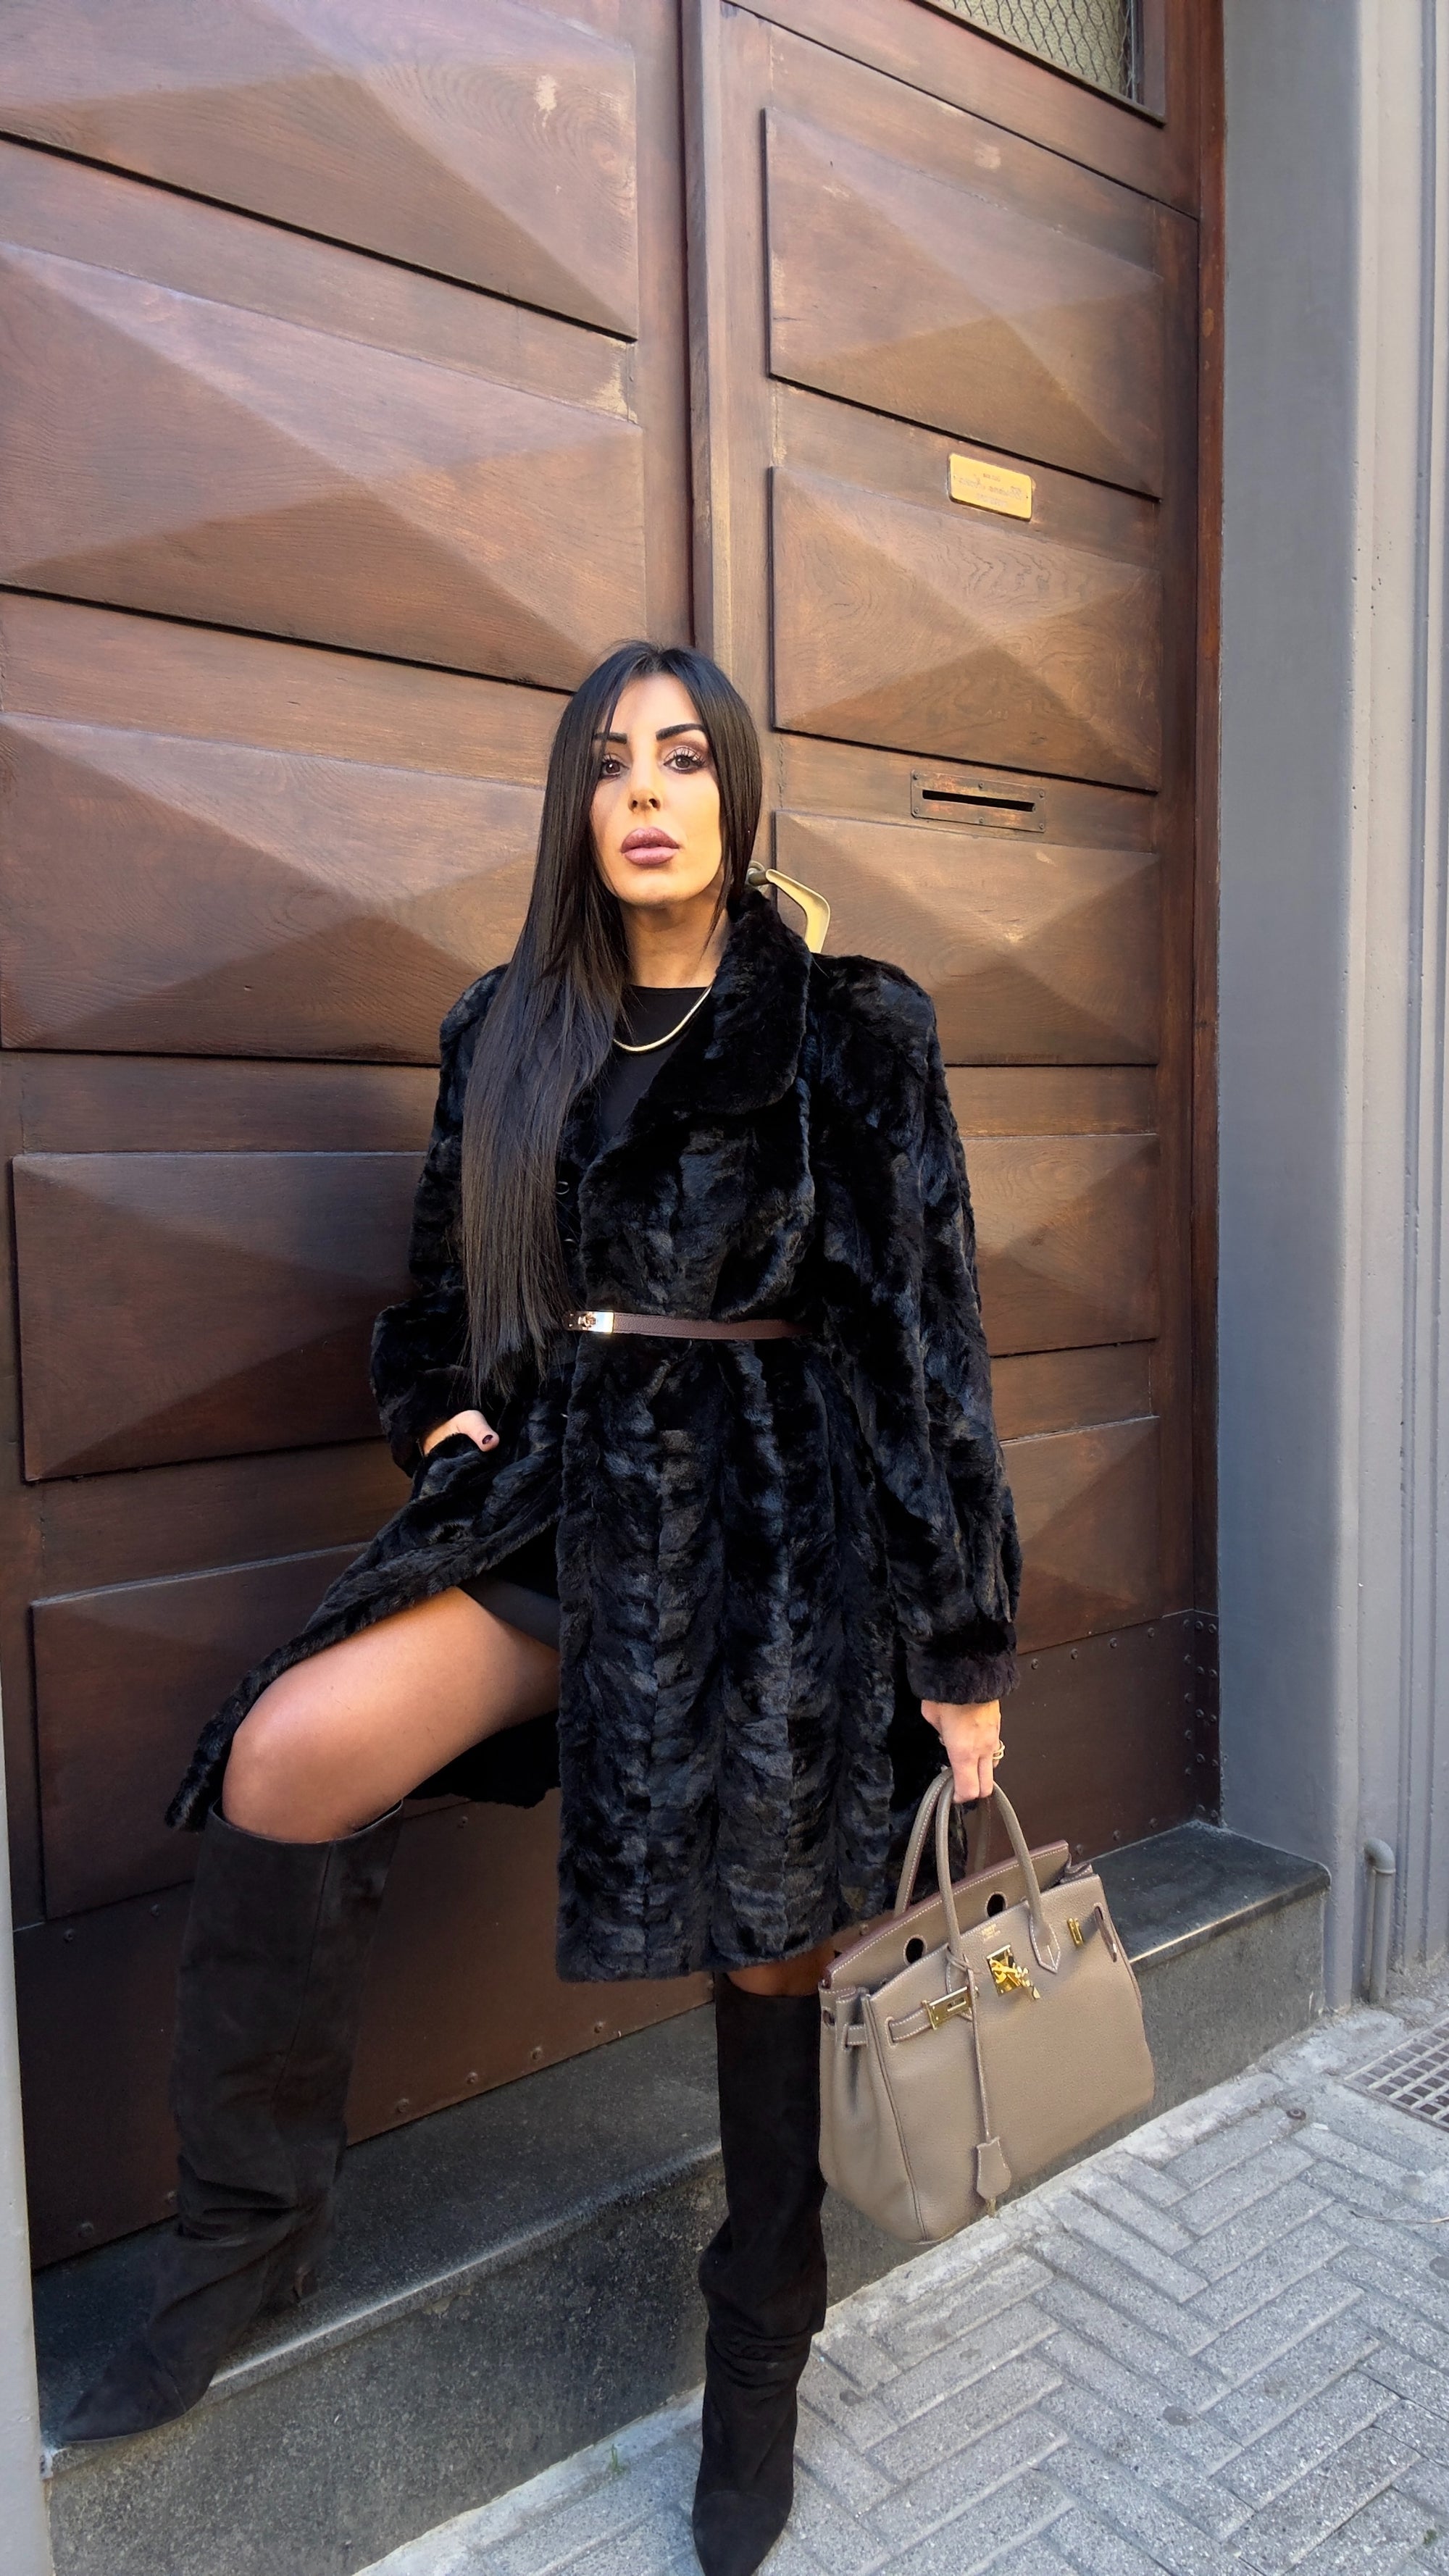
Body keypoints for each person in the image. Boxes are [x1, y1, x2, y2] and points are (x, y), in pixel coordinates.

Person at [64, 642, 1020, 2576]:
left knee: (769, 1949)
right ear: (576, 806)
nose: (646, 792)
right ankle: (248, 2234)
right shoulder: (505, 1025)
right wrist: (436, 1406)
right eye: (610, 764)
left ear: (739, 790)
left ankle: (761, 2346)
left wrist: (961, 1646)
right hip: (561, 1499)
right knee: (288, 1757)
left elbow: (926, 1341)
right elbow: (440, 1289)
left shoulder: (850, 1024)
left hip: (771, 1521)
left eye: (684, 757)